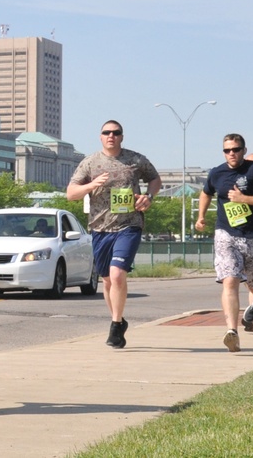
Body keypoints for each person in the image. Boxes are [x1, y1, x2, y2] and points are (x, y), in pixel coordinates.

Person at [66, 120, 161, 349]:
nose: (111, 136)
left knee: (118, 275)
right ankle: (117, 320)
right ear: (100, 137)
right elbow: (71, 194)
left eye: (116, 133)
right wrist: (91, 186)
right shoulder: (90, 163)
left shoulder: (135, 160)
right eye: (106, 133)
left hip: (129, 225)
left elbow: (155, 179)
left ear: (122, 136)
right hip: (100, 228)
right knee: (107, 280)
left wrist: (148, 196)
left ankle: (116, 324)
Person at [195, 135, 253, 353]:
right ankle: (232, 331)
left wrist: (245, 199)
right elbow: (205, 193)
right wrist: (201, 216)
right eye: (227, 150)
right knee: (230, 280)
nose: (231, 153)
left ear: (244, 150)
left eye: (236, 149)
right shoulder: (217, 173)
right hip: (227, 233)